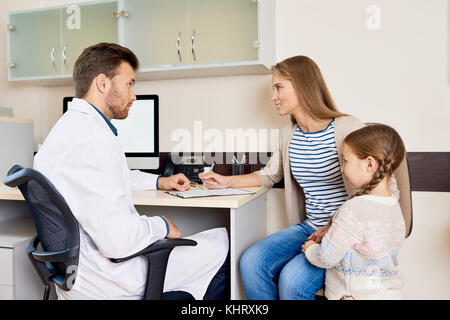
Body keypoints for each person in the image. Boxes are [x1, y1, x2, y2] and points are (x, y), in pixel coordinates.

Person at [199, 55, 410, 300]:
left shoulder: (346, 127)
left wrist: (332, 226)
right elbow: (270, 175)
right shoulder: (288, 134)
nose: (273, 97)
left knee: (292, 281)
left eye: (279, 87)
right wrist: (226, 181)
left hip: (345, 234)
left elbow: (386, 189)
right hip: (310, 227)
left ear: (302, 86)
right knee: (251, 261)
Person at [34, 42, 229, 300]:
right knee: (222, 244)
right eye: (130, 84)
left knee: (210, 243)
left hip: (77, 275)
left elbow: (111, 178)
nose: (133, 95)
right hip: (109, 278)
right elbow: (119, 241)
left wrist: (161, 182)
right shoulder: (92, 139)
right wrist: (161, 225)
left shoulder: (69, 130)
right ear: (103, 83)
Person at [302, 124, 406, 300]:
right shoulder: (394, 207)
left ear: (370, 164)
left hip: (352, 295)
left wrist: (311, 249)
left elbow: (326, 257)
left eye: (346, 161)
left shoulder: (353, 209)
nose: (342, 168)